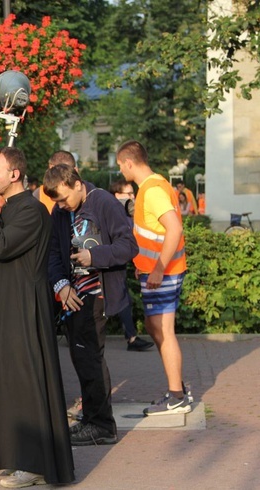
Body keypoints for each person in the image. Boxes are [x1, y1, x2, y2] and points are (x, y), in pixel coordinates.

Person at [0, 148, 74, 488]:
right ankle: (18, 456)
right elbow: (3, 254)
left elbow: (2, 246)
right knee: (11, 382)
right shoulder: (13, 209)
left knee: (27, 381)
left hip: (25, 307)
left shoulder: (31, 211)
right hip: (9, 304)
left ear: (14, 174)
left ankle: (33, 464)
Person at [44, 164, 138, 446]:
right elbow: (52, 252)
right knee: (82, 356)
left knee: (89, 357)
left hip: (97, 294)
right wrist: (61, 284)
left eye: (63, 198)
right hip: (72, 295)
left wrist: (93, 256)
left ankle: (101, 424)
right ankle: (92, 419)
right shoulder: (60, 211)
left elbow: (129, 247)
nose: (60, 205)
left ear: (76, 184)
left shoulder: (103, 202)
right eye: (56, 201)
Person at [116, 141, 192, 416]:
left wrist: (158, 268)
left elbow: (174, 228)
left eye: (120, 165)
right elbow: (153, 233)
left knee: (163, 329)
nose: (120, 170)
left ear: (128, 163)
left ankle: (177, 396)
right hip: (157, 271)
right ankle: (177, 389)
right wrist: (146, 265)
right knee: (153, 325)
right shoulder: (154, 186)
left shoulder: (152, 190)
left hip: (164, 272)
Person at [109, 180, 155, 352]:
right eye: (128, 194)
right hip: (111, 264)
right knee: (121, 299)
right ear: (116, 195)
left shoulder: (128, 215)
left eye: (132, 193)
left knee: (123, 299)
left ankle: (132, 337)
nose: (132, 197)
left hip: (120, 263)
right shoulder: (113, 215)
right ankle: (131, 338)